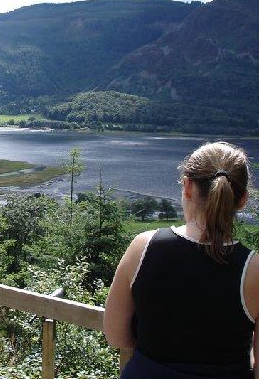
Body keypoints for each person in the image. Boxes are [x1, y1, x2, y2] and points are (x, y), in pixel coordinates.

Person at [104, 141, 257, 379]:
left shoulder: (143, 247)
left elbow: (115, 335)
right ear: (243, 199)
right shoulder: (253, 269)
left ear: (186, 187)